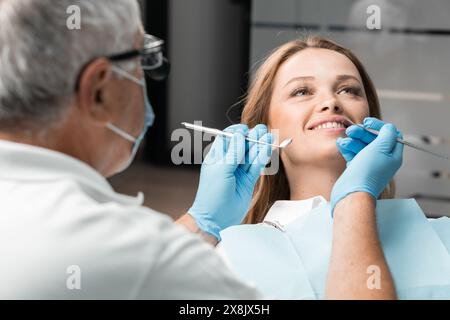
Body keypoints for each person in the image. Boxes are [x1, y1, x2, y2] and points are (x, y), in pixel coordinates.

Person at [0, 0, 275, 299]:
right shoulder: (131, 249)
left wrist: (200, 223)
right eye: (143, 62)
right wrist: (337, 217)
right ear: (100, 90)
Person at [217, 36, 450, 299]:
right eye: (302, 91)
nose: (332, 102)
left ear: (370, 117)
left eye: (348, 90)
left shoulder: (442, 235)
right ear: (267, 130)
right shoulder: (232, 259)